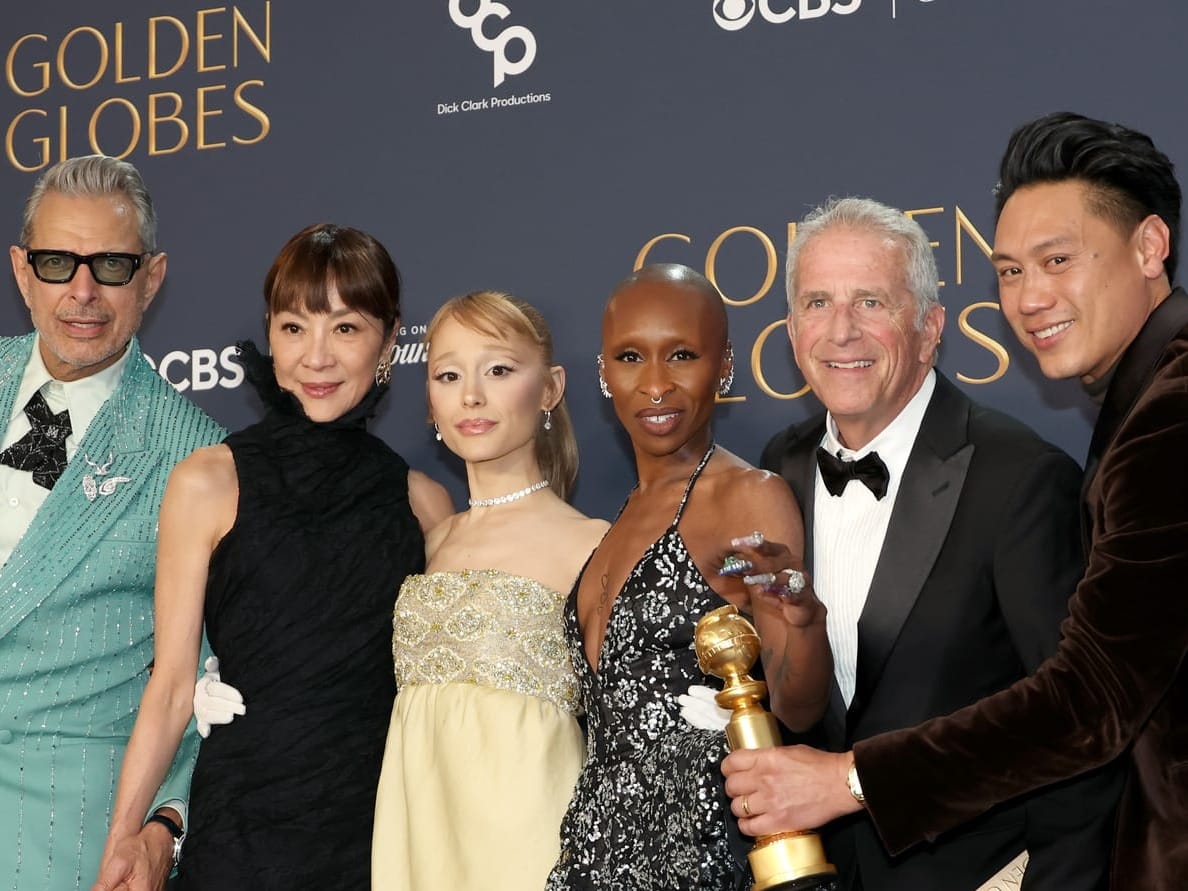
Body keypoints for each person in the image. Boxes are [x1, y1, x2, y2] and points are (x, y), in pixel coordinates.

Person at [720, 112, 1188, 889]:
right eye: (1010, 271)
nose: (1031, 297)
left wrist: (849, 779)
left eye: (1057, 260)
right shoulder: (777, 468)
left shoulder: (1157, 416)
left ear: (1149, 247)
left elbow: (1090, 701)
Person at [755, 196, 1119, 889]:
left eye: (871, 302)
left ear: (929, 329)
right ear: (793, 330)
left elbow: (1080, 725)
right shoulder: (780, 468)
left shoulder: (1020, 478)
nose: (841, 331)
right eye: (817, 303)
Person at [93, 223, 452, 891]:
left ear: (390, 340)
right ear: (270, 332)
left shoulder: (425, 505)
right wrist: (123, 839)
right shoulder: (207, 482)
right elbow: (170, 688)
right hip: (240, 836)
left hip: (375, 840)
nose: (316, 356)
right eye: (294, 327)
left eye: (345, 328)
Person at [545, 263, 832, 890]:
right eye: (630, 357)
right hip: (597, 852)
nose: (655, 385)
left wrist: (806, 623)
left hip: (703, 851)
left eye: (681, 355)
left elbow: (798, 709)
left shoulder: (747, 497)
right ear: (603, 372)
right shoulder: (619, 517)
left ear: (723, 364)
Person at [0, 154, 225, 891]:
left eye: (112, 266)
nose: (83, 292)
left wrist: (166, 822)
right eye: (57, 263)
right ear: (22, 271)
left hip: (71, 838)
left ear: (151, 278)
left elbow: (205, 677)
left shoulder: (196, 454)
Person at [371, 290, 608, 890]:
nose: (471, 396)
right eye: (448, 375)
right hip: (421, 840)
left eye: (499, 370)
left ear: (550, 388)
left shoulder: (594, 545)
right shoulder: (430, 543)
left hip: (534, 846)